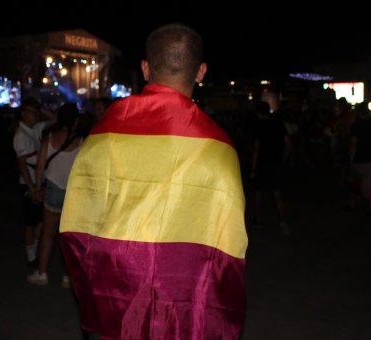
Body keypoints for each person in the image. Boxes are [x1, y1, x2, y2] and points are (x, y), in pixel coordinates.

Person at [59, 24, 248, 339]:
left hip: (115, 286)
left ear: (145, 68)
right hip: (181, 296)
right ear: (201, 71)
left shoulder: (105, 132)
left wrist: (89, 288)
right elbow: (228, 249)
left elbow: (77, 224)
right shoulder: (219, 147)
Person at [27, 103, 83, 286]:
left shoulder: (49, 138)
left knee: (48, 235)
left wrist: (37, 188)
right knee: (68, 237)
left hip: (52, 190)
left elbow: (41, 166)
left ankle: (42, 273)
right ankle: (68, 276)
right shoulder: (81, 141)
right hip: (72, 194)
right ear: (75, 120)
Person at [12, 97, 55, 267]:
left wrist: (41, 108)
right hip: (29, 183)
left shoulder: (35, 128)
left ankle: (34, 250)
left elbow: (54, 119)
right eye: (31, 112)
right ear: (23, 114)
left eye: (36, 113)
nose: (35, 116)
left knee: (40, 220)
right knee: (31, 222)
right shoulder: (21, 135)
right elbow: (21, 164)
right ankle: (31, 255)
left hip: (38, 181)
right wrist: (31, 187)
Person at [250, 100, 291, 235]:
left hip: (262, 163)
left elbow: (256, 148)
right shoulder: (279, 124)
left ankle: (258, 219)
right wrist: (283, 158)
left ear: (258, 112)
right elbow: (288, 143)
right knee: (278, 194)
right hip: (276, 163)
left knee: (258, 192)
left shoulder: (258, 126)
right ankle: (283, 222)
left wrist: (253, 168)